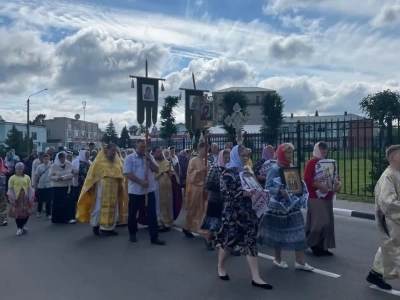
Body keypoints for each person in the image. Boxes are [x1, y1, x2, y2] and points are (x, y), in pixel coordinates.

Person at [215, 145, 272, 290]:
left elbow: (255, 186)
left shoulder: (247, 171)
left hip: (248, 213)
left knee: (250, 243)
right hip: (233, 213)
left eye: (247, 155)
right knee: (228, 242)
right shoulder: (228, 173)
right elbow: (226, 193)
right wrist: (245, 193)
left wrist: (260, 192)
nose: (246, 158)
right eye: (243, 155)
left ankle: (256, 277)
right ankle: (220, 266)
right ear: (236, 156)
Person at [263, 143, 314, 271]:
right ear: (281, 153)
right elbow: (267, 187)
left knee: (298, 231)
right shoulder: (274, 169)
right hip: (279, 207)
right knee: (278, 233)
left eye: (291, 153)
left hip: (293, 205)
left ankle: (300, 261)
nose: (290, 155)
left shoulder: (291, 168)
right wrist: (279, 191)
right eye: (287, 153)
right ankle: (277, 259)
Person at [366, 145, 400, 290]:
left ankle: (375, 273)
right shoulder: (387, 176)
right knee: (394, 247)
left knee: (389, 246)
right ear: (392, 157)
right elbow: (388, 202)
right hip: (391, 219)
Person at [76, 144, 126, 236]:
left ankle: (109, 228)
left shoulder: (117, 162)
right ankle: (96, 226)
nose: (115, 153)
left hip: (114, 190)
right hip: (101, 190)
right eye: (113, 151)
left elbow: (121, 174)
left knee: (113, 208)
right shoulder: (98, 162)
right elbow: (91, 176)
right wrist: (91, 186)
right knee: (98, 207)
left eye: (116, 151)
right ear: (107, 150)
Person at [123, 140, 165, 245]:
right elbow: (127, 173)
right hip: (135, 192)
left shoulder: (149, 157)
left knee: (152, 214)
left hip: (149, 190)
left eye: (144, 147)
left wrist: (149, 161)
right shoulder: (130, 158)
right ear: (136, 146)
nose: (143, 149)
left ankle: (154, 237)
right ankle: (132, 233)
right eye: (141, 147)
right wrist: (140, 182)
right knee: (132, 214)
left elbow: (156, 169)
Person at [304, 142, 342, 257]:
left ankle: (323, 246)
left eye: (325, 148)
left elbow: (336, 176)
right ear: (316, 149)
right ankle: (313, 244)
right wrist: (320, 186)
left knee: (328, 223)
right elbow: (307, 179)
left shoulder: (329, 163)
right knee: (320, 220)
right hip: (315, 196)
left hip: (327, 196)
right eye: (321, 148)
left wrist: (339, 184)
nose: (324, 151)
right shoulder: (312, 163)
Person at [201, 149, 232, 251]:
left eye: (229, 158)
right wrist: (221, 188)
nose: (227, 160)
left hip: (227, 200)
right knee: (214, 222)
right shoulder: (215, 168)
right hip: (215, 199)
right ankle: (208, 239)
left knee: (225, 222)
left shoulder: (230, 169)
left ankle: (224, 244)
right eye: (225, 158)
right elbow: (208, 184)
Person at [182, 141, 211, 237]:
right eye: (205, 149)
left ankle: (202, 226)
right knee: (194, 207)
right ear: (199, 149)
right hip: (196, 187)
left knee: (205, 208)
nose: (206, 151)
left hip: (205, 187)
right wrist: (201, 170)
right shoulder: (193, 161)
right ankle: (187, 227)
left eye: (208, 149)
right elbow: (190, 174)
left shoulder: (207, 162)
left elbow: (210, 175)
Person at [152, 146, 182, 231]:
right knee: (158, 204)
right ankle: (159, 222)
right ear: (154, 153)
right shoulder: (152, 162)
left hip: (168, 187)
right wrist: (161, 173)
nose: (161, 153)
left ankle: (167, 221)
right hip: (157, 187)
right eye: (158, 152)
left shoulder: (166, 161)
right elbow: (151, 175)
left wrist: (171, 174)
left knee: (168, 204)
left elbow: (173, 173)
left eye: (161, 151)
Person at [7, 162, 35, 236]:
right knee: (18, 213)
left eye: (20, 169)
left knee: (27, 212)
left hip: (25, 197)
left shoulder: (27, 177)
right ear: (15, 169)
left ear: (23, 169)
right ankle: (19, 228)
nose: (19, 170)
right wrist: (12, 199)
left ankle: (24, 225)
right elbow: (10, 189)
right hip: (17, 197)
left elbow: (29, 188)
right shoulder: (12, 178)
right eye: (17, 169)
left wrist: (31, 198)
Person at [49, 152, 77, 224]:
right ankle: (57, 219)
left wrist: (74, 173)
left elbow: (73, 171)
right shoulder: (54, 166)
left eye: (64, 158)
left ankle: (68, 218)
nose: (63, 160)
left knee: (68, 202)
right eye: (61, 158)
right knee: (58, 203)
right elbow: (50, 176)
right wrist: (58, 178)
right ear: (58, 158)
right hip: (57, 186)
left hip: (68, 185)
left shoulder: (68, 164)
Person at [34, 154, 52, 219]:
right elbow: (36, 176)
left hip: (49, 185)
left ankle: (48, 214)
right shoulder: (39, 167)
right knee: (40, 200)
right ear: (43, 159)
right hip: (41, 185)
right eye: (45, 159)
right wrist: (35, 186)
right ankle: (39, 211)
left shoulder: (51, 166)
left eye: (47, 159)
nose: (46, 160)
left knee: (49, 200)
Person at [0, 158, 9, 226]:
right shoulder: (4, 170)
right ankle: (2, 219)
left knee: (3, 204)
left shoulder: (5, 170)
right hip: (2, 190)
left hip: (2, 190)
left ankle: (3, 219)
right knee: (3, 204)